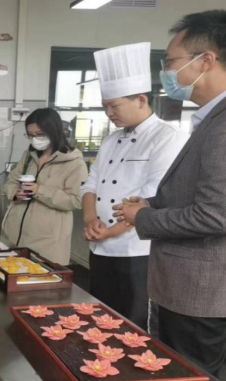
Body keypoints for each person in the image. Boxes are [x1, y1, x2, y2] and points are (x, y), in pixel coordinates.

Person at [114, 10, 226, 376]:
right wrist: (152, 203)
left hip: (203, 287)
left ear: (206, 60)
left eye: (170, 62)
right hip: (186, 283)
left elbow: (220, 215)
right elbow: (200, 192)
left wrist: (144, 217)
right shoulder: (218, 117)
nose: (166, 73)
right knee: (174, 376)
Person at [80, 42, 188, 332]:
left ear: (141, 99)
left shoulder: (167, 137)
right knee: (100, 320)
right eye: (105, 106)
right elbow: (90, 184)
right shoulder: (110, 140)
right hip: (100, 247)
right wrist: (90, 220)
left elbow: (154, 197)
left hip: (137, 252)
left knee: (134, 326)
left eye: (114, 106)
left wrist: (112, 230)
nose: (108, 113)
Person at [2, 108, 88, 265]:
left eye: (40, 134)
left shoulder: (74, 163)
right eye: (31, 135)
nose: (35, 139)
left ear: (54, 132)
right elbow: (10, 182)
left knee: (40, 278)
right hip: (14, 237)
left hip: (48, 243)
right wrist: (15, 193)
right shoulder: (29, 156)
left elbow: (76, 201)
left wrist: (39, 190)